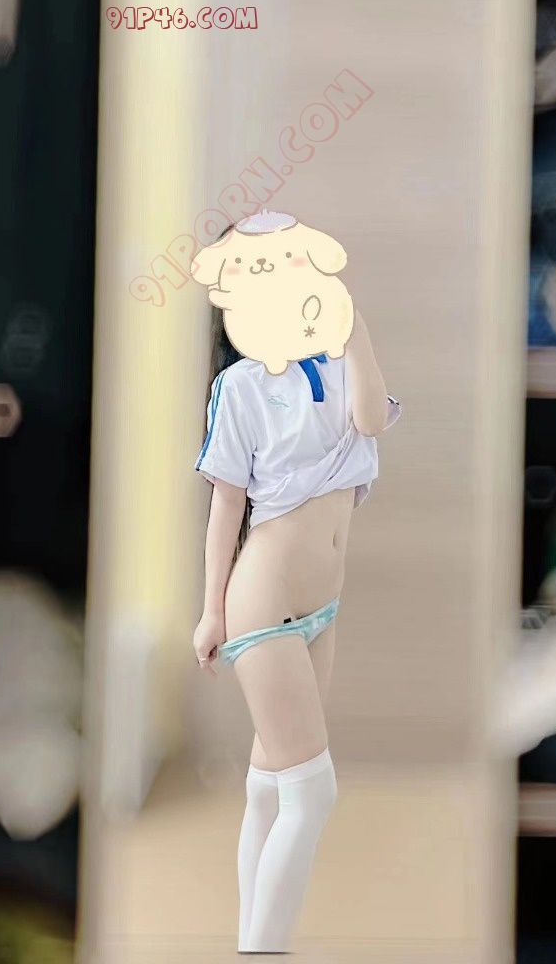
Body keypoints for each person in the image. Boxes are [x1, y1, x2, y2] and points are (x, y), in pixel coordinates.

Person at [192, 217, 401, 953]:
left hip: (320, 609)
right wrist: (211, 612)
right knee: (312, 793)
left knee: (270, 787)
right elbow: (225, 507)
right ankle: (264, 951)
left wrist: (355, 329)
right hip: (265, 599)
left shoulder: (339, 365)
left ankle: (249, 938)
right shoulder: (240, 386)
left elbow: (371, 419)